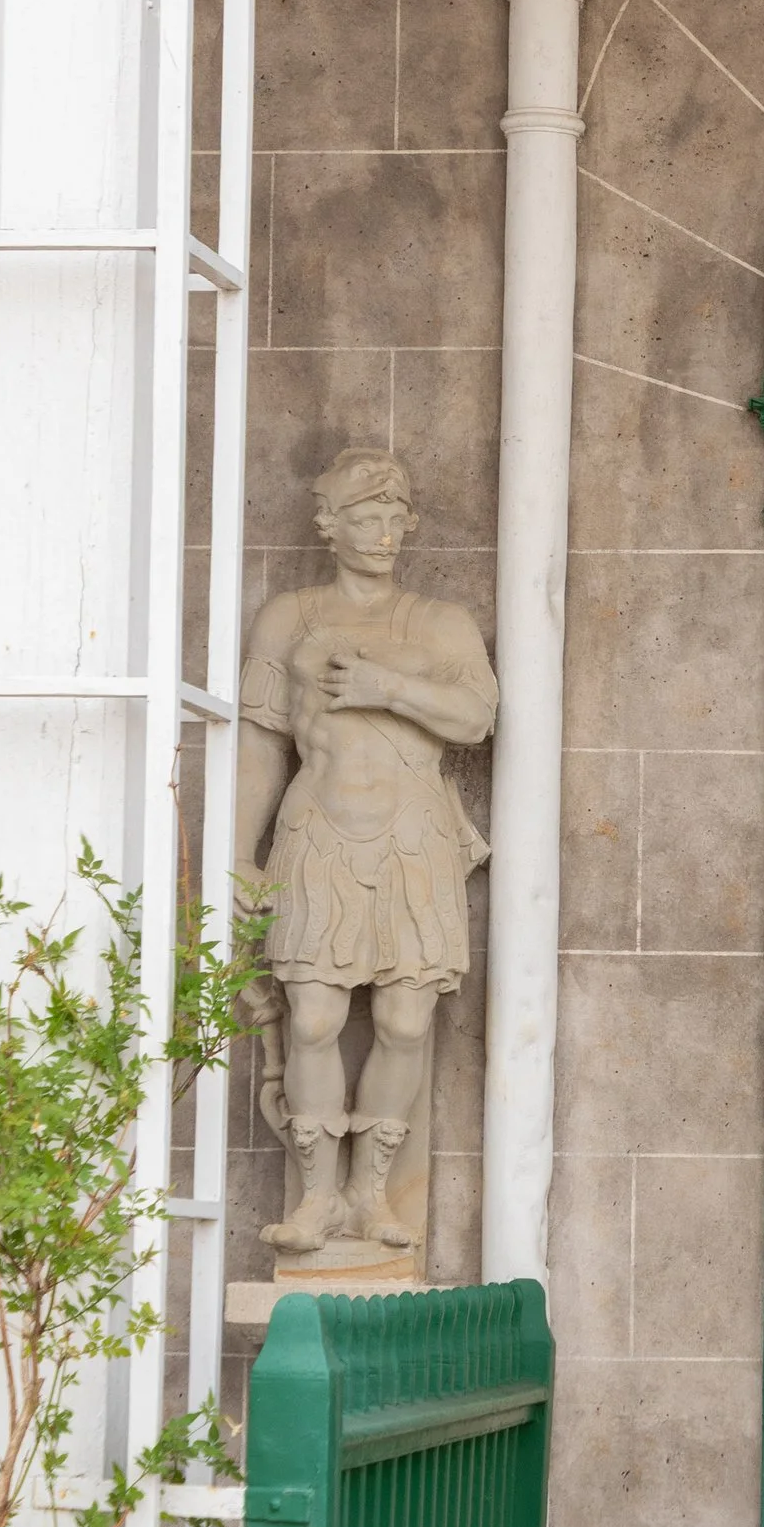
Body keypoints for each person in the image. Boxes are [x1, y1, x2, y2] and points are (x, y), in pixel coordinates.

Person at [236, 450, 497, 1257]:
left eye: (396, 517)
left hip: (415, 839)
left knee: (405, 1019)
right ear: (330, 526)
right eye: (367, 518)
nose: (386, 534)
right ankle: (316, 1197)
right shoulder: (292, 616)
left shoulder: (440, 622)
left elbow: (476, 718)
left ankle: (371, 1191)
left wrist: (390, 689)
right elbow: (259, 742)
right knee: (311, 1017)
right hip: (317, 832)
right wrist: (241, 854)